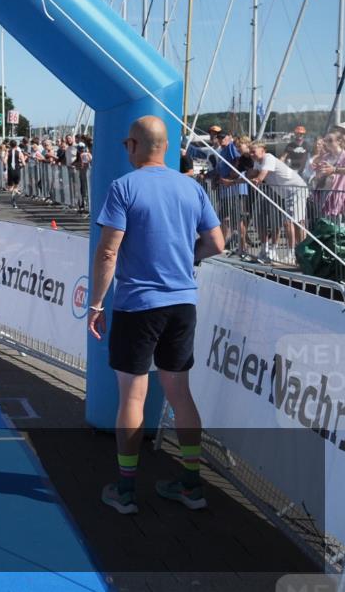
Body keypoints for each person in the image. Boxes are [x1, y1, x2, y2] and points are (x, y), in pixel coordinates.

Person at [88, 116, 224, 515]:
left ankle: (126, 490)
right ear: (165, 147)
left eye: (125, 144)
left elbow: (109, 252)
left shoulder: (124, 187)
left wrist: (96, 304)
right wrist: (187, 258)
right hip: (182, 303)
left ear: (133, 145)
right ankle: (191, 485)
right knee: (180, 393)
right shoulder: (191, 186)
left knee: (132, 394)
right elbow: (216, 242)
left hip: (138, 305)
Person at [248, 141, 308, 263]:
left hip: (296, 190)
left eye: (253, 151)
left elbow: (261, 176)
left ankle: (293, 254)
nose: (251, 154)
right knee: (296, 223)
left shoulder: (268, 158)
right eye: (250, 152)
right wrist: (233, 181)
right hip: (288, 194)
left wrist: (256, 179)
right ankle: (300, 254)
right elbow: (252, 174)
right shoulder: (257, 162)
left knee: (290, 223)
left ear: (263, 150)